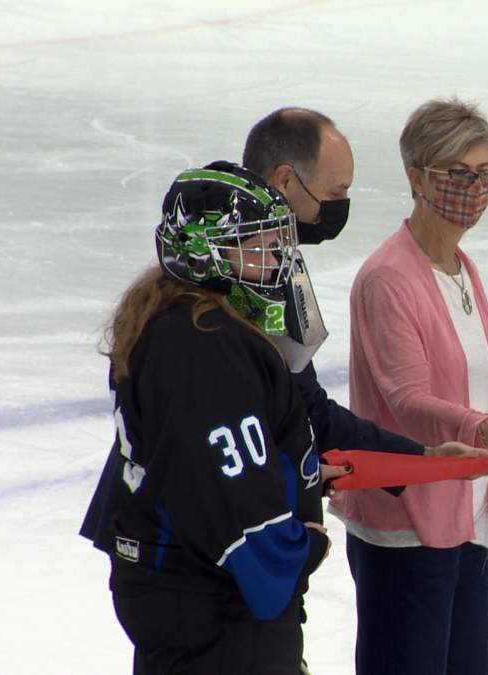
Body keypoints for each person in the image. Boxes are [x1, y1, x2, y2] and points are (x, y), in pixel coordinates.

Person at [329, 98, 488, 675]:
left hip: (467, 513)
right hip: (407, 521)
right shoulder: (389, 278)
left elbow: (446, 375)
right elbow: (407, 402)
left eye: (483, 174)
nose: (474, 189)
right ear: (417, 178)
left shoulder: (460, 267)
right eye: (458, 174)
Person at [90, 161, 343, 674]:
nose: (275, 262)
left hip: (183, 597)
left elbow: (194, 459)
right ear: (204, 252)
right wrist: (301, 547)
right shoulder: (206, 345)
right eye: (257, 248)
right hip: (215, 611)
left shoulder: (180, 322)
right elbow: (237, 513)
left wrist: (294, 476)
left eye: (276, 244)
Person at [240, 107, 485, 464]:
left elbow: (307, 408)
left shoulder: (273, 267)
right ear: (286, 181)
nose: (342, 206)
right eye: (336, 192)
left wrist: (422, 456)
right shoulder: (244, 281)